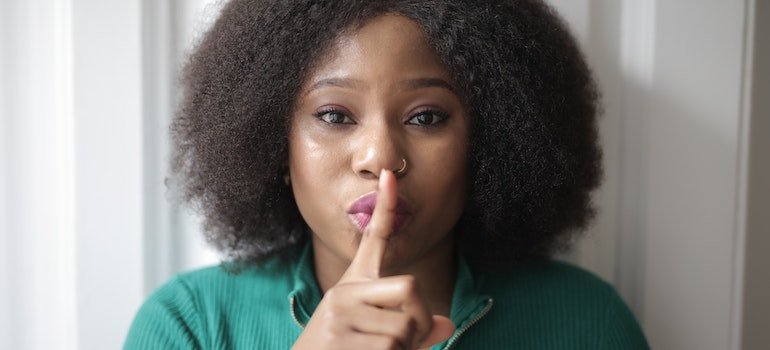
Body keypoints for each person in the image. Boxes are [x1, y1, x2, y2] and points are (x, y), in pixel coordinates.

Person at [125, 0, 649, 349]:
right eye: (335, 115)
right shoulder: (190, 323)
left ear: (489, 144)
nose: (379, 157)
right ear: (275, 146)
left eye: (426, 117)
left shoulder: (587, 323)